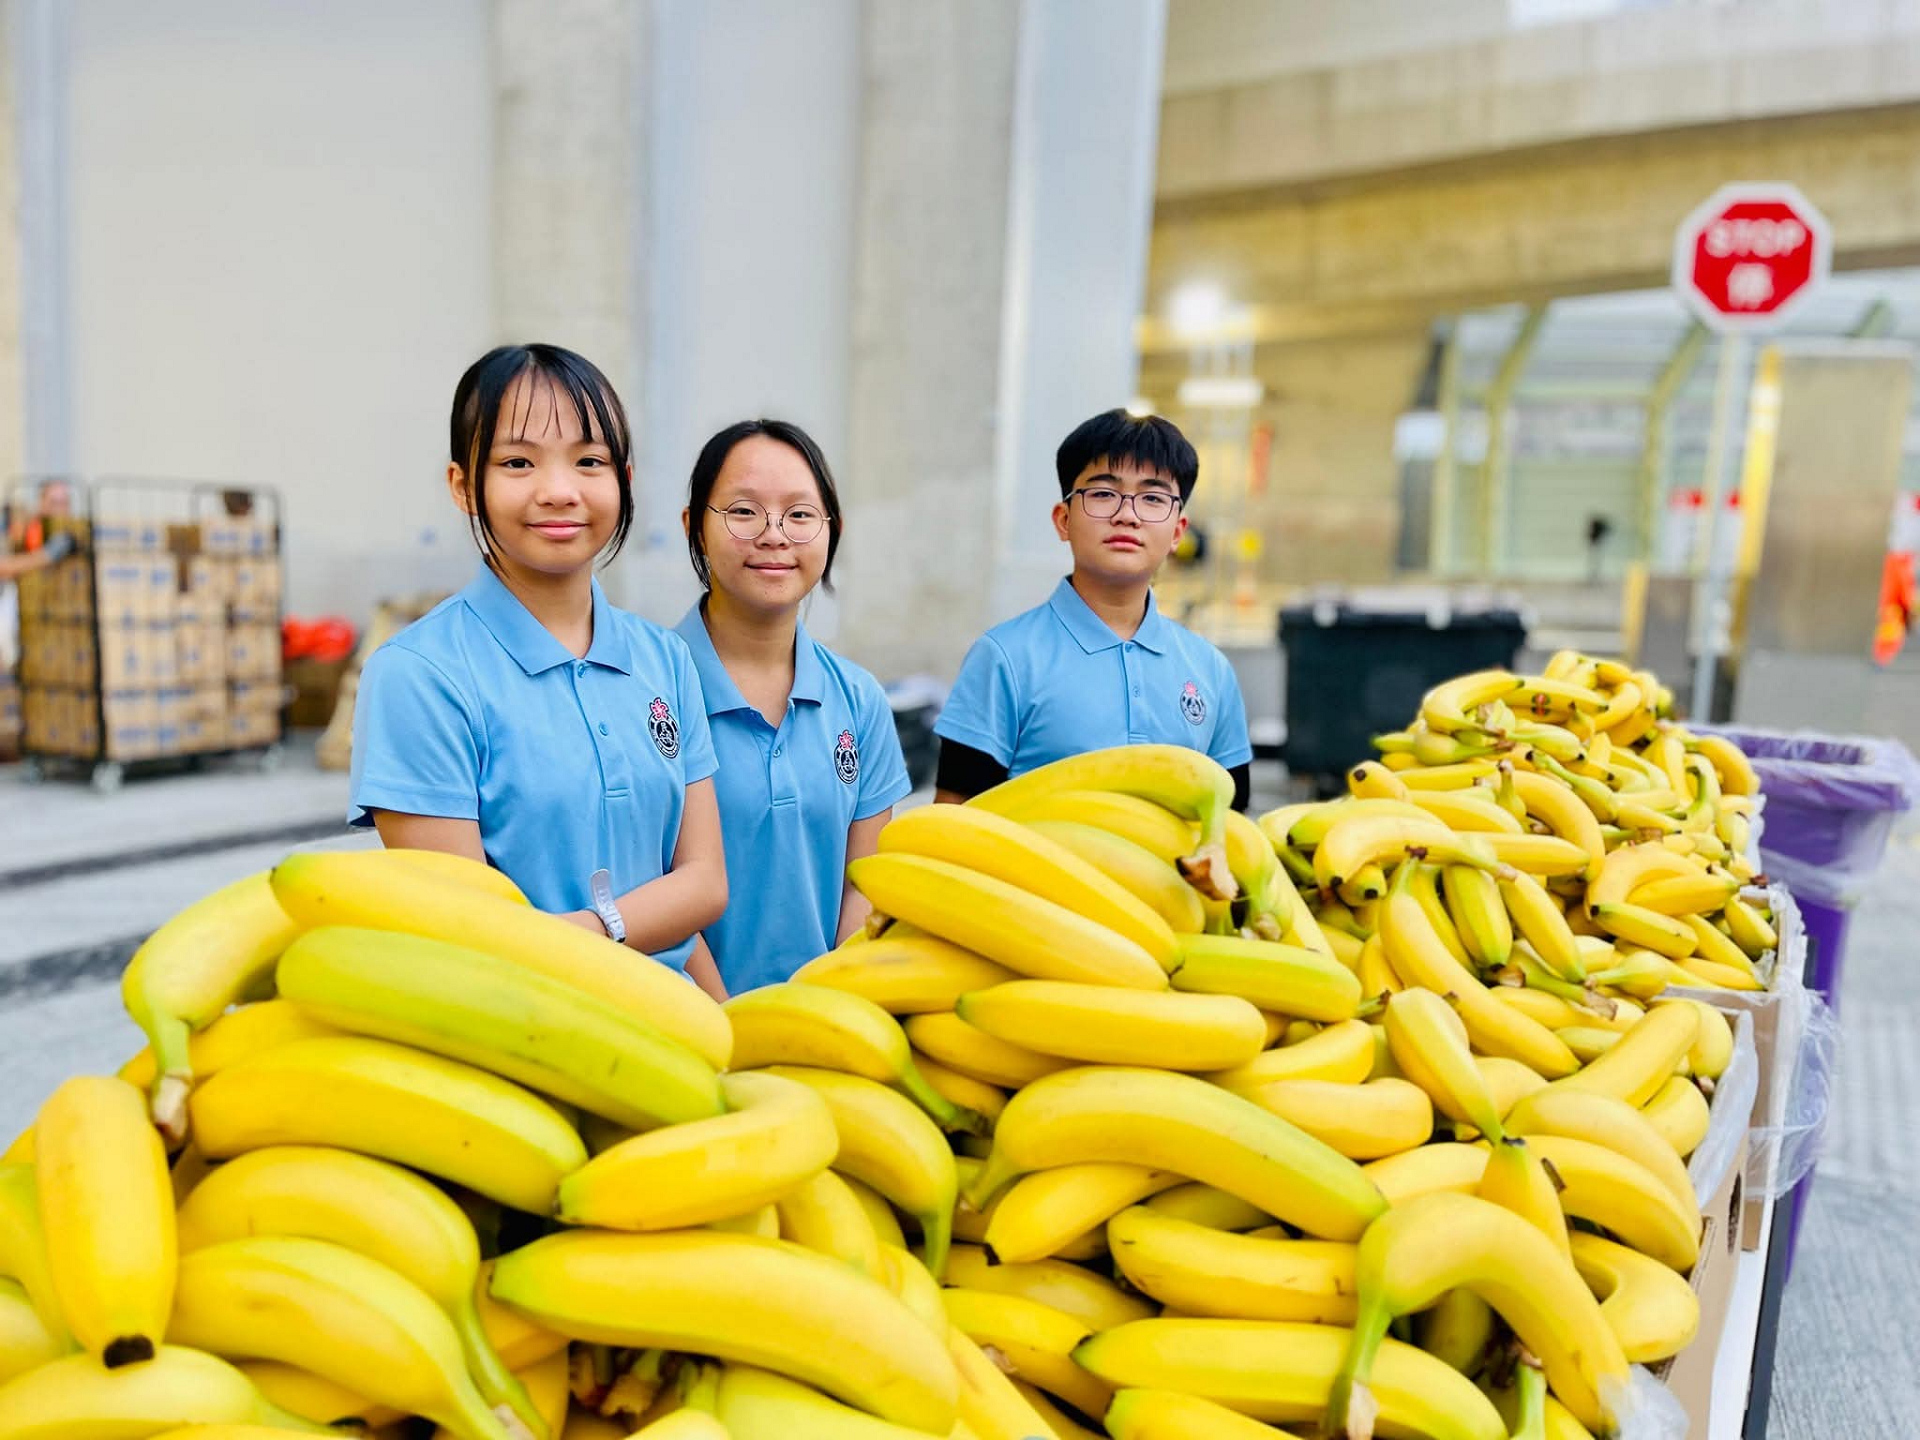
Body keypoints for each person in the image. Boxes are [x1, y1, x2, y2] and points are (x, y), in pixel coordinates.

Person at [349, 344, 728, 996]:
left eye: (589, 462)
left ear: (624, 479)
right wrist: (614, 931)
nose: (559, 491)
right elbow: (468, 928)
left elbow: (702, 884)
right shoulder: (419, 675)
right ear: (463, 486)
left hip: (677, 1021)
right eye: (518, 462)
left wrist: (726, 1024)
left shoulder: (665, 660)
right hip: (523, 1041)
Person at [674, 419, 911, 994]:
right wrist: (727, 1021)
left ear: (832, 531)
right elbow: (646, 878)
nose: (774, 535)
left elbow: (864, 884)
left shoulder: (859, 699)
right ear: (694, 528)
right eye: (744, 511)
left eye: (800, 515)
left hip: (823, 1027)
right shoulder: (647, 689)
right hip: (683, 1026)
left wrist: (826, 1004)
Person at [933, 408, 1253, 807]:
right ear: (1063, 520)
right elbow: (952, 821)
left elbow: (1234, 823)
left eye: (1153, 498)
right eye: (1103, 493)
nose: (1127, 515)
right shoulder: (1005, 659)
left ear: (1178, 531)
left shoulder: (1211, 670)